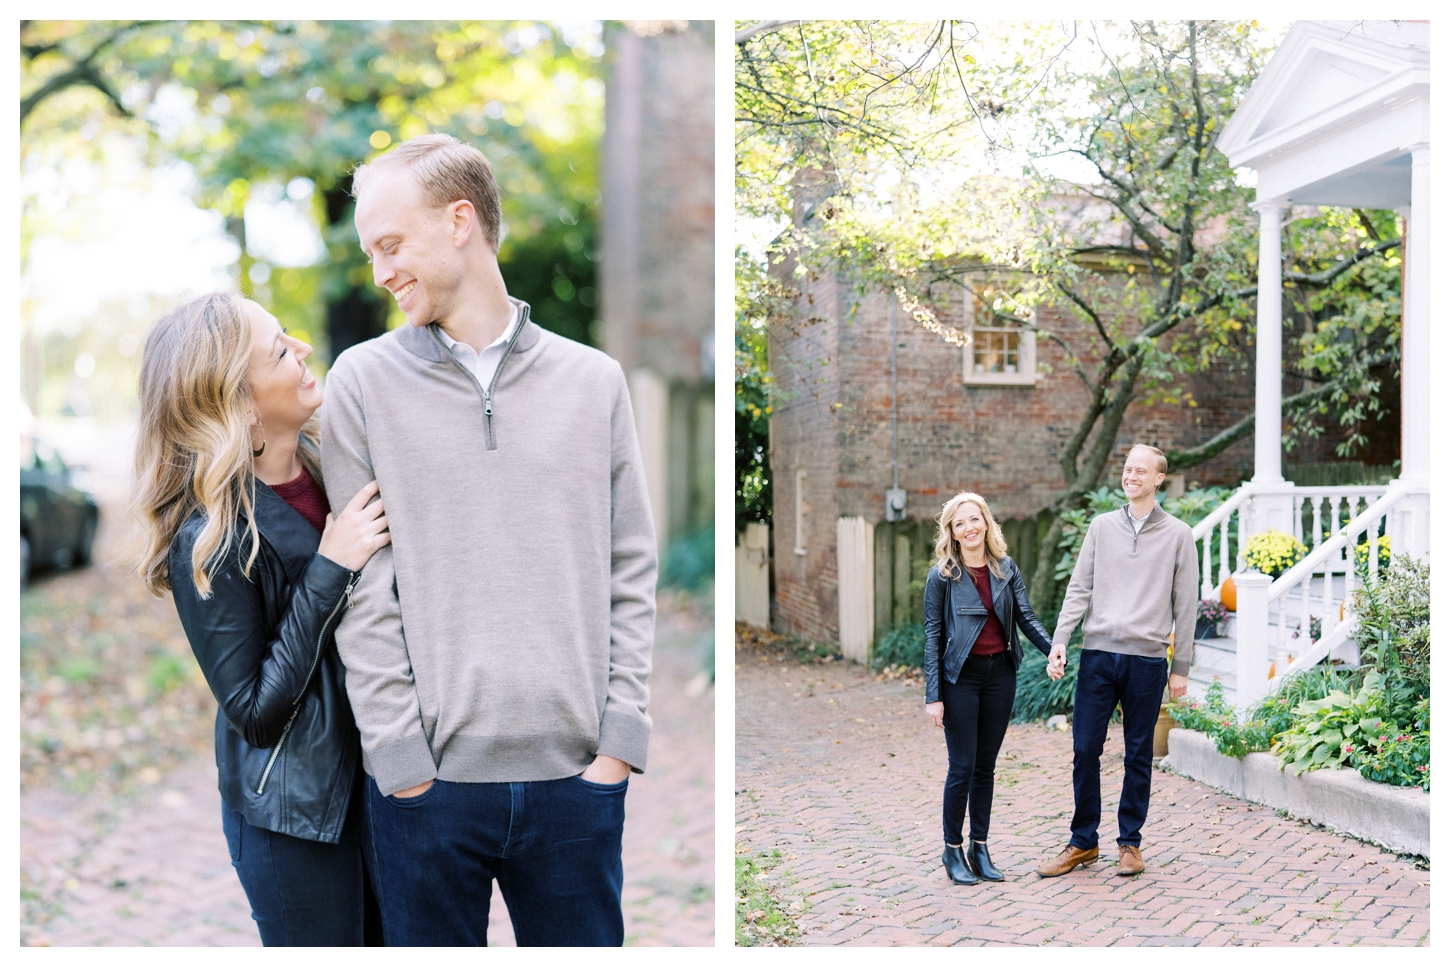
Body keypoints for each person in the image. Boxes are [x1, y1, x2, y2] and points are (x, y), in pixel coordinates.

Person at [319, 133, 656, 947]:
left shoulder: (593, 381)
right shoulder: (360, 383)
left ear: (459, 221)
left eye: (391, 245)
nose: (380, 271)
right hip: (427, 792)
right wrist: (401, 763)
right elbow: (365, 588)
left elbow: (632, 566)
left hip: (576, 783)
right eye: (370, 252)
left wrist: (618, 746)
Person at [133, 292, 391, 945]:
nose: (303, 349)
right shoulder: (211, 537)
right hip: (296, 819)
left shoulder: (337, 465)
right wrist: (330, 568)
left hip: (387, 782)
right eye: (280, 349)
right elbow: (254, 710)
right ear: (240, 402)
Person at [1037, 444, 1197, 878]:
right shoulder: (1101, 527)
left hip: (1146, 661)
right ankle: (1083, 842)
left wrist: (1181, 666)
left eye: (1141, 471)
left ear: (1158, 479)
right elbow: (1079, 588)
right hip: (1098, 655)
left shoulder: (1179, 534)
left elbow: (1186, 606)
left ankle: (1130, 844)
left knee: (1138, 754)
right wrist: (1060, 640)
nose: (1132, 476)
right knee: (1085, 749)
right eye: (1127, 469)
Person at [923, 492, 1054, 885]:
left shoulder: (1006, 569)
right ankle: (952, 850)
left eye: (974, 519)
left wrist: (1053, 651)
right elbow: (933, 635)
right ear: (952, 532)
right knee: (961, 767)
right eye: (959, 523)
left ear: (986, 522)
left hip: (1001, 676)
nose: (969, 528)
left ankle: (980, 847)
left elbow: (1026, 618)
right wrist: (933, 694)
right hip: (960, 678)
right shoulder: (943, 575)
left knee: (986, 767)